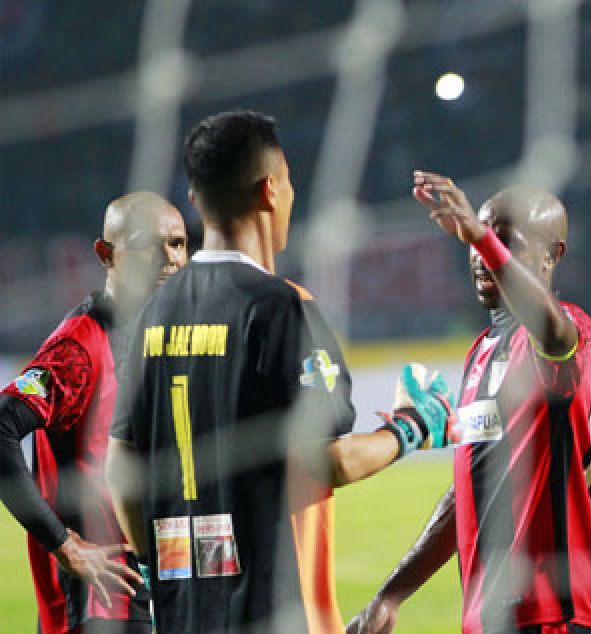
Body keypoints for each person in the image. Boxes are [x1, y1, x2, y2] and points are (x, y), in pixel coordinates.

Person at [105, 110, 453, 634]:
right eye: (288, 184)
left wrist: (156, 574)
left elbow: (121, 469)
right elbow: (330, 460)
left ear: (196, 201)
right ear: (271, 189)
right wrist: (413, 426)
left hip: (184, 616)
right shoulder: (282, 308)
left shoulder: (153, 312)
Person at [346, 172, 591, 634]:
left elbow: (553, 333)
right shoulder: (481, 352)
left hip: (555, 615)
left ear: (553, 254)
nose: (478, 255)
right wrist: (391, 595)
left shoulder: (570, 331)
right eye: (473, 241)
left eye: (504, 242)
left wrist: (479, 234)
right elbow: (469, 492)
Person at [0, 192, 187, 633]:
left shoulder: (160, 338)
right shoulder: (80, 347)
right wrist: (64, 545)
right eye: (147, 243)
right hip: (103, 595)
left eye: (178, 243)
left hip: (157, 582)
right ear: (106, 254)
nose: (168, 258)